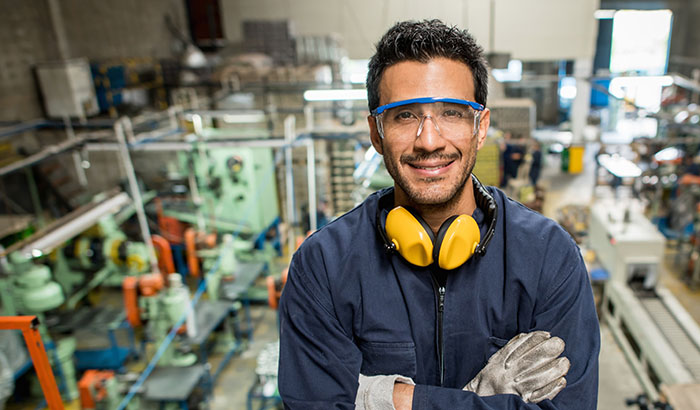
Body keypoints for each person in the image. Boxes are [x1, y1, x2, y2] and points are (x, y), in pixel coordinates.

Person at [279, 19, 599, 410]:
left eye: (452, 113)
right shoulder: (324, 266)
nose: (429, 141)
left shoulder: (549, 256)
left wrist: (391, 399)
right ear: (376, 133)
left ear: (480, 128)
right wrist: (480, 400)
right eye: (405, 116)